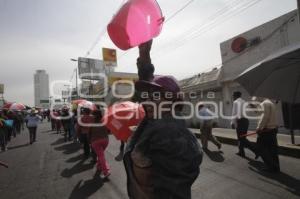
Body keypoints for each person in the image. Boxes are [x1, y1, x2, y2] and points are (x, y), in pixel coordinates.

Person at [123, 40, 202, 199]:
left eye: (156, 96)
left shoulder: (172, 136)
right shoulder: (158, 120)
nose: (147, 101)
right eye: (147, 96)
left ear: (172, 100)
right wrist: (144, 59)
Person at [256, 98, 280, 173]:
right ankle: (276, 167)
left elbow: (264, 117)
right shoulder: (271, 104)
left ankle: (271, 166)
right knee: (273, 150)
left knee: (260, 148)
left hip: (266, 130)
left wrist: (259, 128)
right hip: (272, 130)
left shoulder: (264, 104)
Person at [231, 91, 257, 158]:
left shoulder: (236, 102)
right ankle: (241, 152)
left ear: (235, 96)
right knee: (241, 138)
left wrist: (232, 123)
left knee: (242, 138)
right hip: (246, 121)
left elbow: (234, 113)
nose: (232, 97)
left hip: (240, 121)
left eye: (233, 96)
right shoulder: (244, 102)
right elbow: (249, 110)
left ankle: (256, 151)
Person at [89, 109, 110, 178]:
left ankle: (106, 171)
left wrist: (89, 142)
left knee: (101, 156)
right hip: (105, 140)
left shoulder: (91, 124)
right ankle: (99, 166)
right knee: (100, 155)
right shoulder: (104, 122)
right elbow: (109, 131)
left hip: (95, 141)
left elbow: (89, 134)